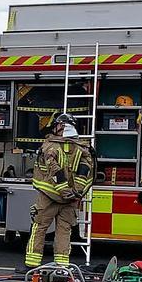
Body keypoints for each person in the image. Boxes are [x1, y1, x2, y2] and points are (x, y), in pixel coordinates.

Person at [23, 112, 93, 270]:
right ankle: (62, 266)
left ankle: (31, 265)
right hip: (70, 199)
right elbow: (86, 172)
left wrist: (63, 190)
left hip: (50, 196)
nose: (54, 127)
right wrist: (76, 192)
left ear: (62, 126)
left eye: (56, 125)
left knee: (39, 227)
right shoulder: (82, 148)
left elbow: (53, 170)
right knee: (64, 231)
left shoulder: (50, 146)